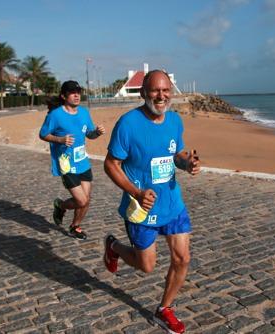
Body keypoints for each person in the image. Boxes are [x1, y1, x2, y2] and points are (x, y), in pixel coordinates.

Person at [103, 70, 200, 334]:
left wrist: (186, 163)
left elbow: (176, 154)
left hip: (172, 203)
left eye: (166, 90)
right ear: (144, 92)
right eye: (155, 90)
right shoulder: (128, 124)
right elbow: (111, 164)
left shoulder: (175, 121)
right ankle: (113, 246)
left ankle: (164, 309)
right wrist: (136, 192)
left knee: (182, 258)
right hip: (141, 209)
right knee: (146, 266)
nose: (161, 96)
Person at [39, 80, 105, 240]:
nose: (76, 95)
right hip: (67, 164)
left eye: (78, 92)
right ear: (64, 96)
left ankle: (75, 226)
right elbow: (43, 134)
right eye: (72, 92)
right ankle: (60, 206)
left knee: (86, 200)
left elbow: (89, 134)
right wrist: (60, 140)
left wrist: (96, 132)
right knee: (81, 201)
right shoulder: (55, 115)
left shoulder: (83, 112)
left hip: (83, 162)